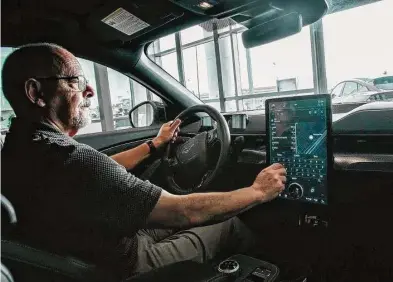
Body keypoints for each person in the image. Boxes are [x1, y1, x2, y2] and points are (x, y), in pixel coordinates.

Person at [1, 43, 286, 279]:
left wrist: (154, 145)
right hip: (125, 267)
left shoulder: (22, 149)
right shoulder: (70, 159)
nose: (89, 92)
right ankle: (280, 271)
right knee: (228, 224)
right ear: (36, 93)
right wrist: (257, 192)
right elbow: (184, 212)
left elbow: (102, 167)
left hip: (91, 248)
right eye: (77, 82)